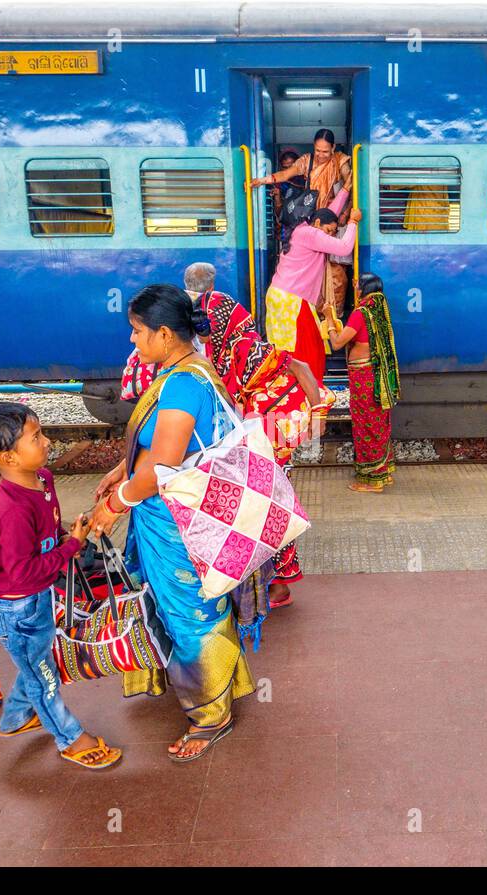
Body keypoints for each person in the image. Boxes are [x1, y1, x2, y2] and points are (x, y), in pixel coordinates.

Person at [88, 284, 254, 763]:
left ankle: (211, 714)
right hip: (175, 518)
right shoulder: (187, 371)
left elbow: (162, 465)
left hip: (177, 525)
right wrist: (122, 471)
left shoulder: (181, 383)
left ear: (164, 333)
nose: (134, 342)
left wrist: (115, 504)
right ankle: (210, 682)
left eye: (138, 332)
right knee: (188, 609)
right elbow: (162, 447)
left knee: (190, 615)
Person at [0, 401, 123, 770]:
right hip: (15, 606)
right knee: (42, 672)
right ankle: (70, 738)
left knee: (35, 663)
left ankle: (16, 718)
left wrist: (68, 535)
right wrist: (72, 547)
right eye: (36, 437)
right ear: (8, 458)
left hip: (35, 597)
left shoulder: (43, 480)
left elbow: (48, 535)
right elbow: (22, 572)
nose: (47, 441)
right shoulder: (13, 511)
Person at [183, 261, 332, 609]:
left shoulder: (247, 349)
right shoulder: (225, 349)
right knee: (261, 509)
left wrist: (319, 413)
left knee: (267, 509)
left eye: (204, 327)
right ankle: (267, 583)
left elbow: (302, 367)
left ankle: (278, 585)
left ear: (218, 324)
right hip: (256, 435)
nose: (201, 334)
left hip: (270, 437)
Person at [253, 129, 355, 325]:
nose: (321, 155)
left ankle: (334, 319)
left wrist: (345, 214)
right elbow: (284, 174)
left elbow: (350, 186)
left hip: (331, 221)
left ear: (333, 148)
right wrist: (262, 181)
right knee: (313, 273)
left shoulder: (340, 161)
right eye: (318, 150)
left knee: (337, 275)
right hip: (313, 223)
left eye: (326, 151)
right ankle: (316, 319)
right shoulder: (306, 161)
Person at [257, 204, 361, 384]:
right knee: (304, 350)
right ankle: (302, 392)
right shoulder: (310, 234)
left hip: (288, 298)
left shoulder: (304, 230)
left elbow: (330, 212)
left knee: (297, 347)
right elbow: (344, 248)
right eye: (329, 231)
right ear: (318, 223)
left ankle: (299, 391)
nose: (329, 236)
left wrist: (345, 190)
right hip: (291, 300)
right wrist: (353, 222)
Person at [326, 273, 401, 493]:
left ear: (365, 289)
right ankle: (383, 472)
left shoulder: (361, 313)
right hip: (375, 377)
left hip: (364, 378)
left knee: (366, 423)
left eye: (358, 285)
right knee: (377, 421)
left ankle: (371, 480)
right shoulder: (378, 310)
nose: (355, 288)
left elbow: (338, 343)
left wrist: (329, 320)